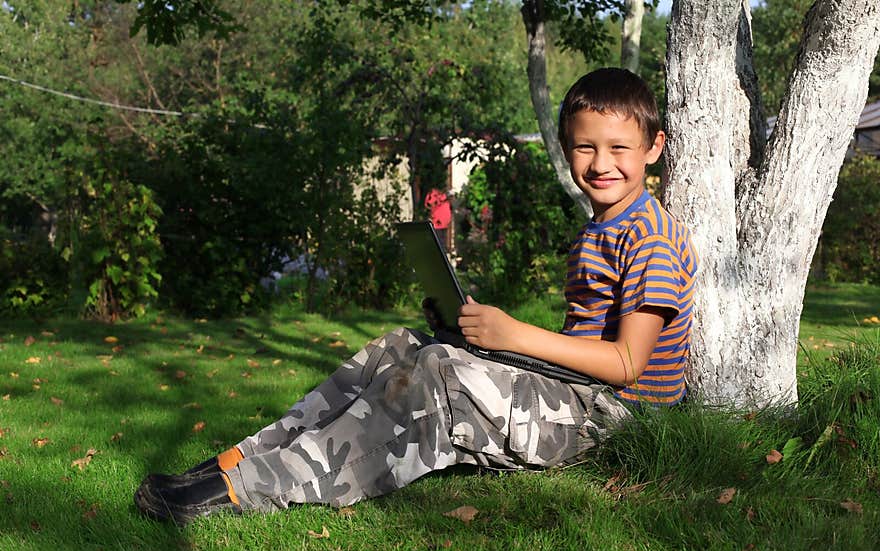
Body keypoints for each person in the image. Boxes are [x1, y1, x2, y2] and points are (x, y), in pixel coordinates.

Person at [134, 67, 698, 525]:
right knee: (400, 347)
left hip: (618, 416)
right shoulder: (601, 227)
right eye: (584, 148)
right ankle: (237, 460)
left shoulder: (648, 235)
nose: (601, 164)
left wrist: (512, 336)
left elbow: (627, 365)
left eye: (619, 148)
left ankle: (245, 490)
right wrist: (471, 330)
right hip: (579, 392)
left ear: (653, 149)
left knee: (438, 377)